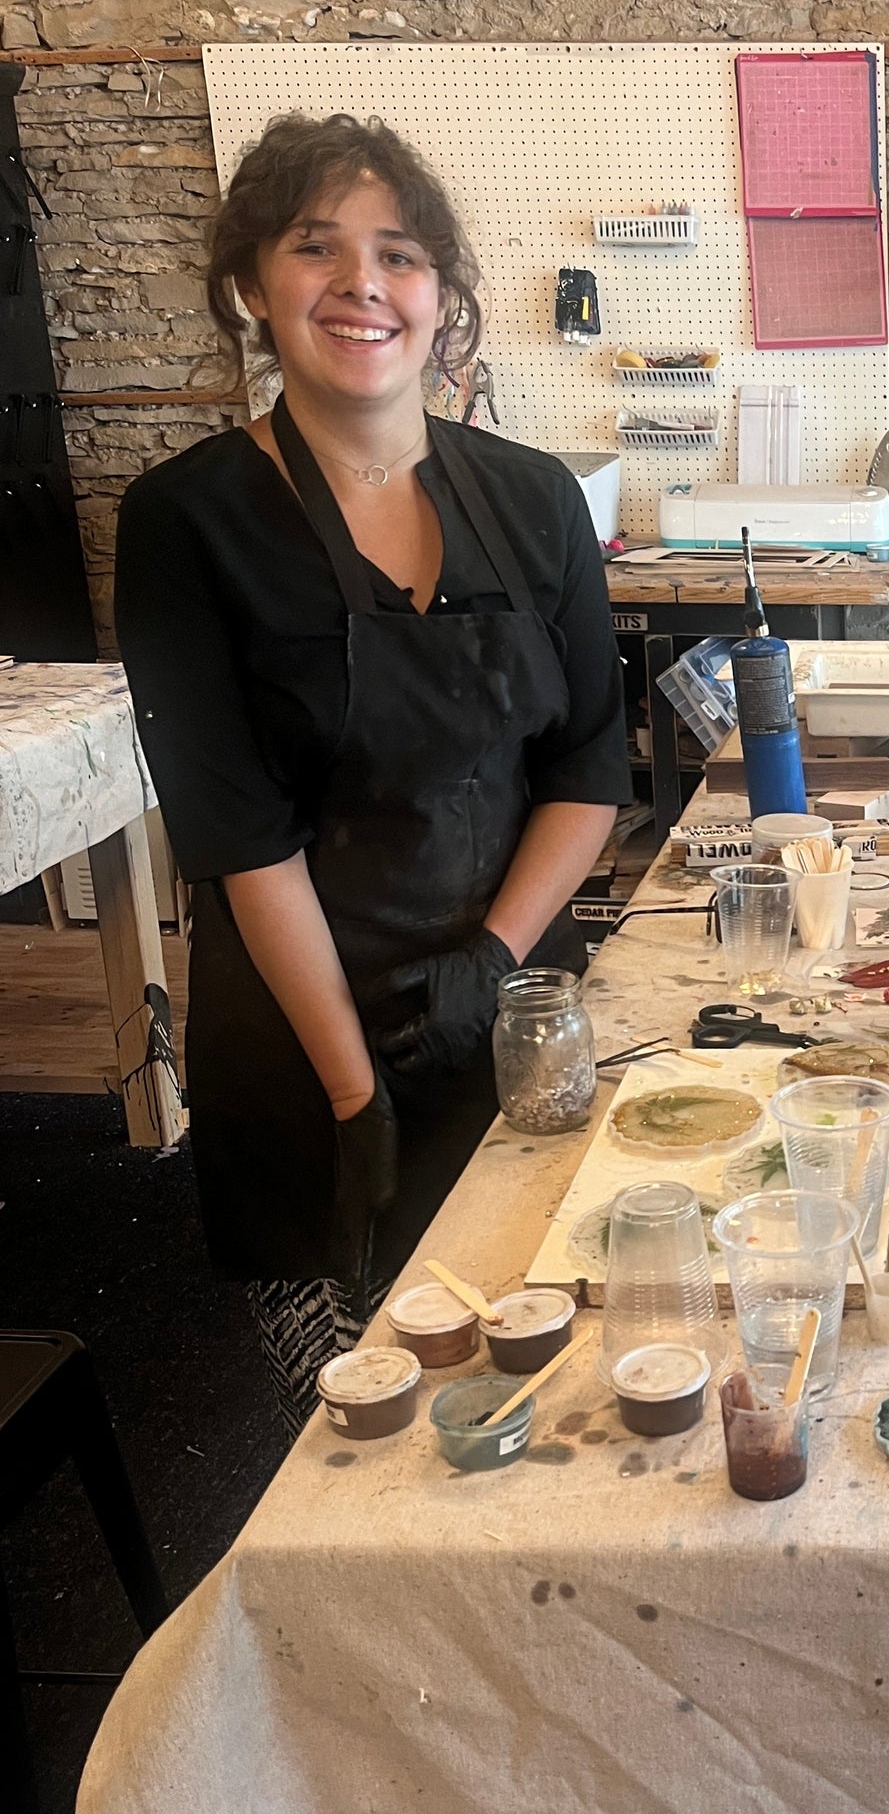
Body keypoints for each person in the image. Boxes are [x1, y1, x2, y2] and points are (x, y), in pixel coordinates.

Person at [115, 115, 630, 1436]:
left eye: (396, 254)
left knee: (554, 1414)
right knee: (372, 1447)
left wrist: (496, 970)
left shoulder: (535, 500)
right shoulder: (186, 522)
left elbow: (586, 768)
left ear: (441, 295)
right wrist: (358, 1095)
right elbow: (240, 835)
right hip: (305, 1053)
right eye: (315, 247)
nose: (361, 282)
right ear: (250, 285)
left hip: (515, 1023)